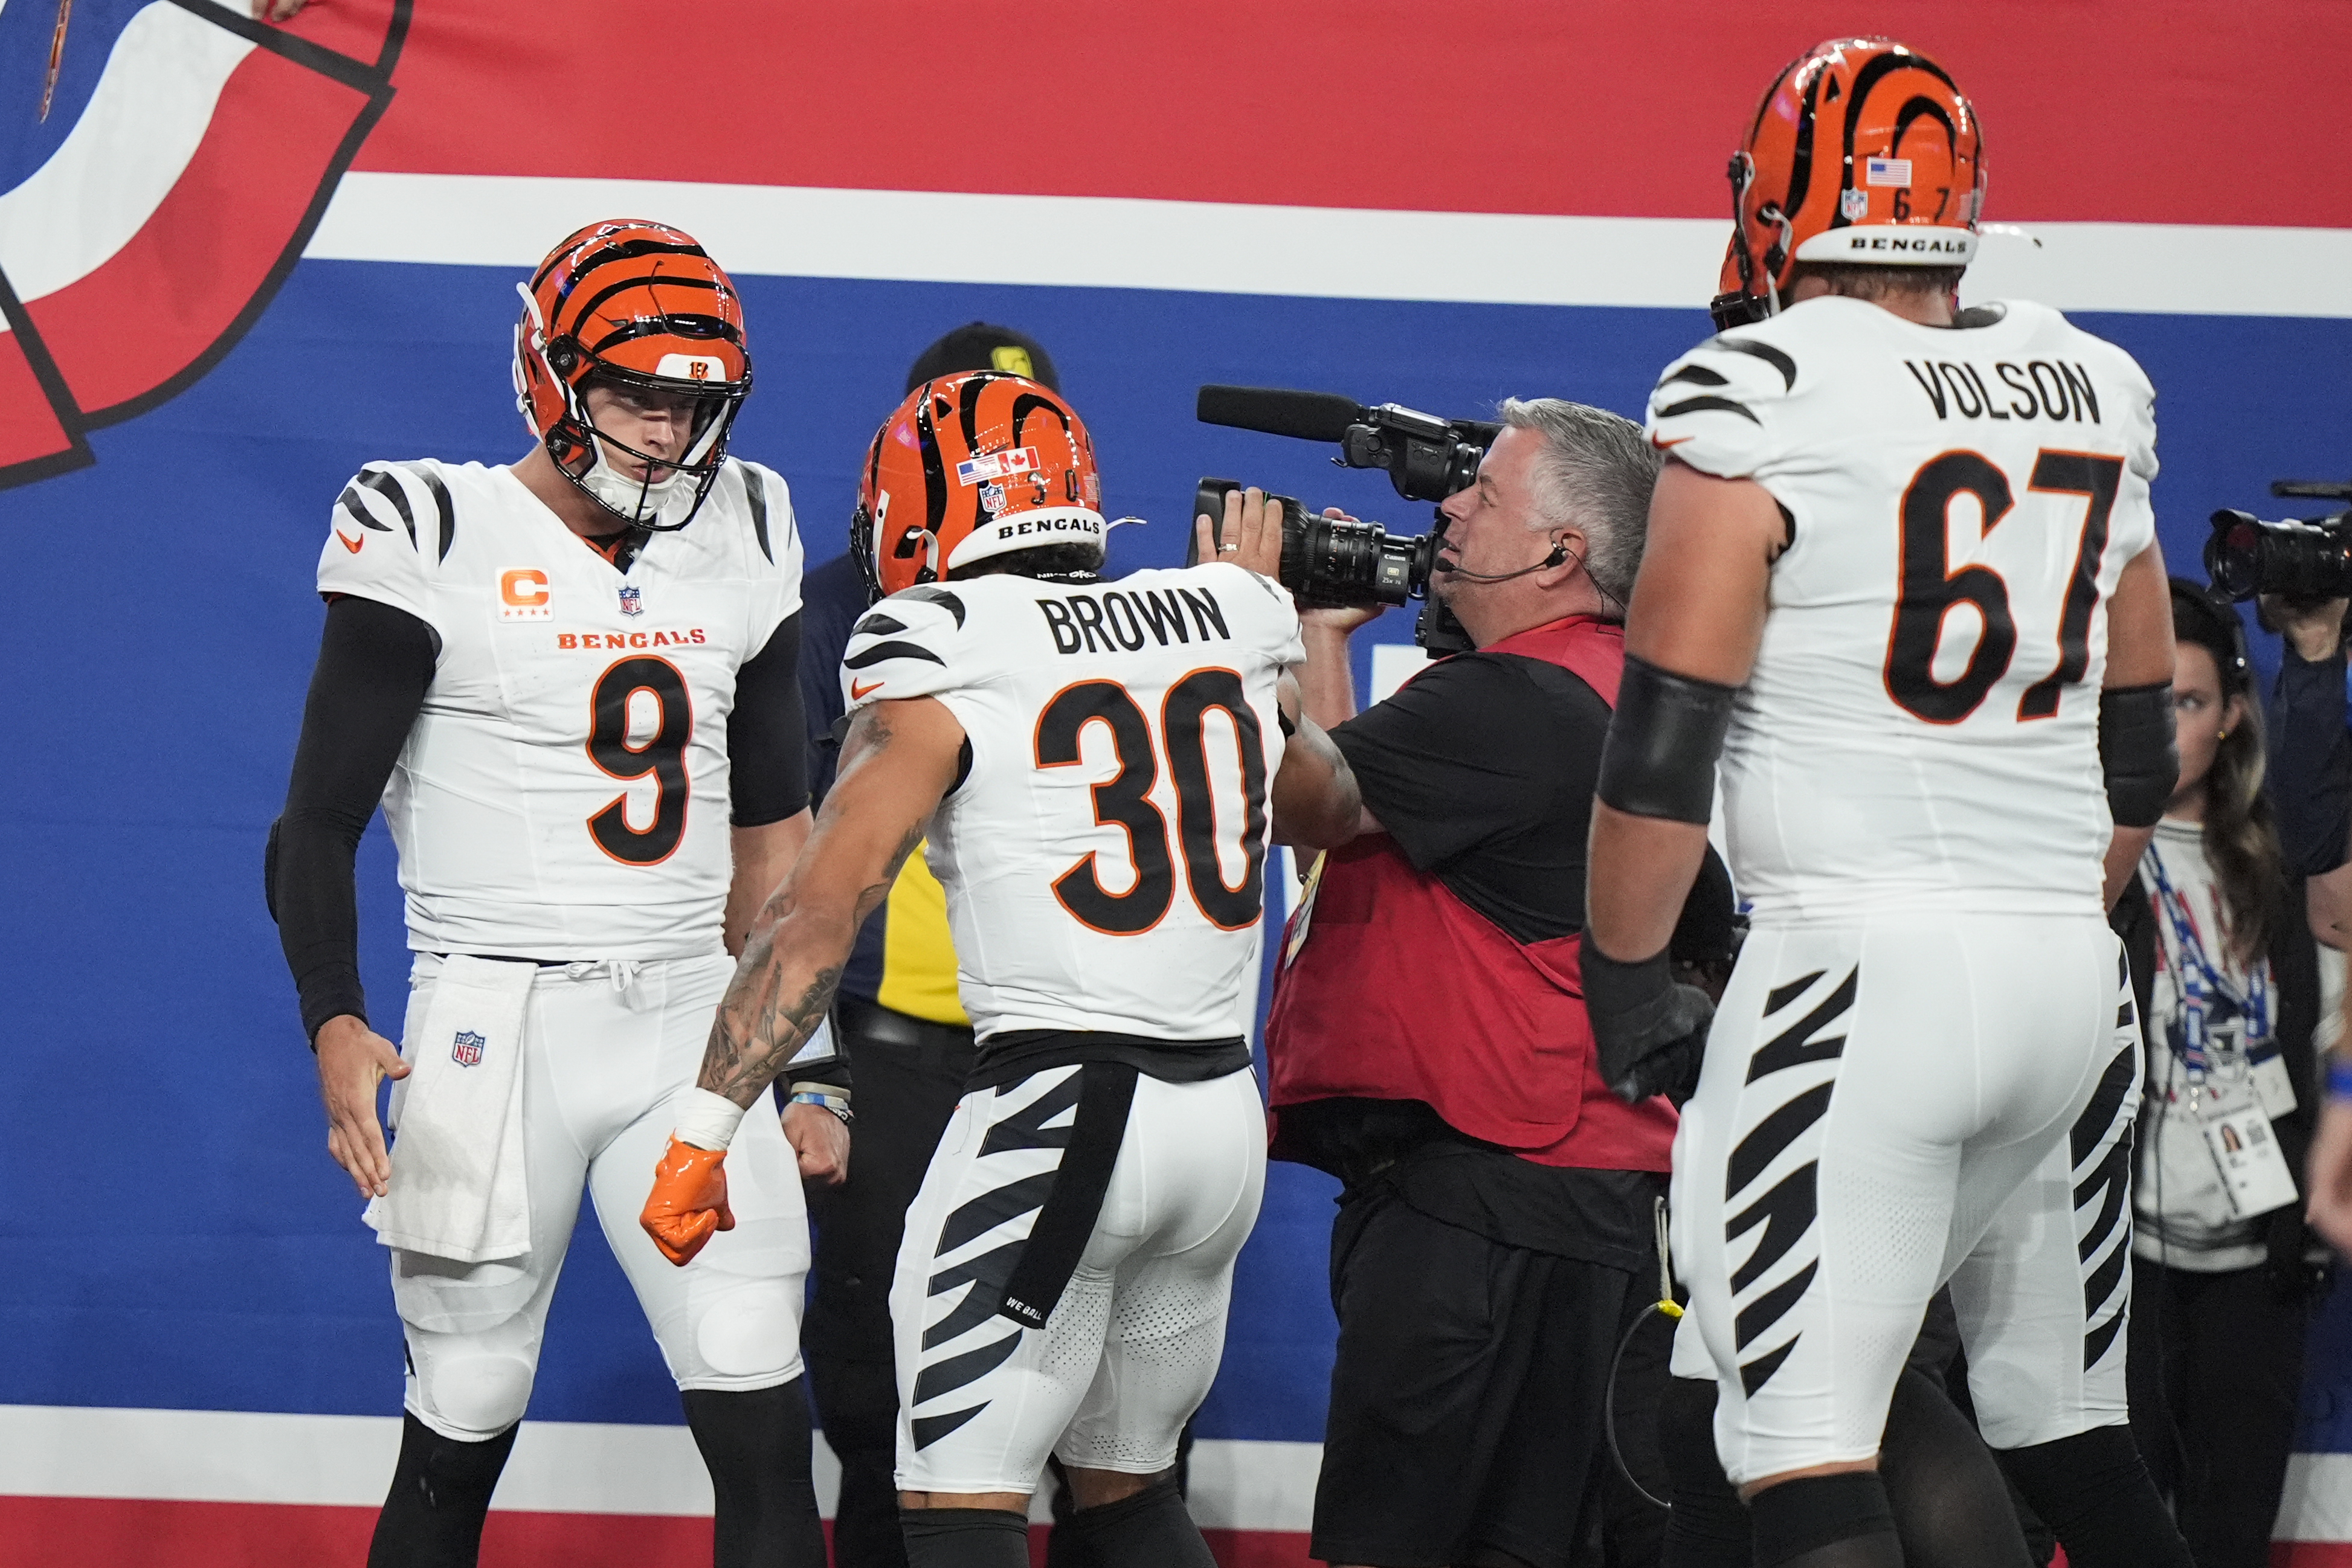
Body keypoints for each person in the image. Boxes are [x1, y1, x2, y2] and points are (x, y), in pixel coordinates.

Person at [1582, 37, 2193, 1568]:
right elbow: (2141, 740)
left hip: (1854, 971)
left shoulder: (1758, 391)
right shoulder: (2091, 379)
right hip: (2070, 976)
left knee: (1797, 1447)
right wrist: (2042, 903)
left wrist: (1624, 978)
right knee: (2050, 1418)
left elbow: (1663, 743)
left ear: (1785, 198)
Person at [638, 373, 1323, 1568]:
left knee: (959, 1505)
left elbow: (815, 905)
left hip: (1057, 1118)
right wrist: (1278, 648)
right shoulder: (1225, 618)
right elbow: (1333, 802)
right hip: (1216, 1118)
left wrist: (703, 1129)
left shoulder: (941, 643)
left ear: (913, 520)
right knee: (1132, 1493)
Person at [267, 220, 831, 1567]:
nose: (670, 437)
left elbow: (775, 838)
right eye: (641, 396)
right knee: (463, 1408)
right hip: (493, 1024)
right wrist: (335, 1018)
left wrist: (800, 1062)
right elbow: (316, 822)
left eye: (697, 407)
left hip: (688, 1026)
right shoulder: (430, 522)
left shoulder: (748, 515)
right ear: (552, 375)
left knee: (760, 1395)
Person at [1251, 398, 1692, 1568]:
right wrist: (1328, 642)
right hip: (1588, 1207)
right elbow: (1352, 828)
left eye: (1484, 494)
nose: (1448, 506)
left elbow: (1308, 799)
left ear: (1563, 552)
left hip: (1482, 1214)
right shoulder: (1602, 688)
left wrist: (1240, 626)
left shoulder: (1513, 698)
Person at [791, 324, 1069, 1568]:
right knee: (874, 1395)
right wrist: (811, 1067)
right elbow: (790, 855)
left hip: (1053, 1050)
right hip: (893, 1057)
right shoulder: (828, 616)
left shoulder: (1102, 613)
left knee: (1089, 1402)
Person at [2118, 581, 2341, 1568]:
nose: (2166, 729)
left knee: (2229, 1536)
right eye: (2145, 702)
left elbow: (2332, 1029)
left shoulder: (2281, 868)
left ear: (2231, 716)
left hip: (2259, 1259)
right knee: (2116, 1530)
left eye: (2188, 702)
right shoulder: (2088, 866)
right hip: (2119, 1259)